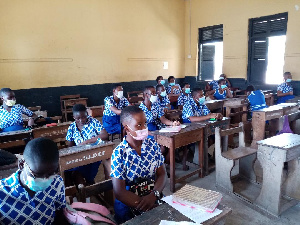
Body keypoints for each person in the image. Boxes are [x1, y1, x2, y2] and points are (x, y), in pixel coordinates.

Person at [110, 106, 167, 223]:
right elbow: (119, 192)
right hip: (129, 203)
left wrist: (154, 195)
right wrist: (146, 205)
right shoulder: (119, 153)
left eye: (145, 123)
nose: (144, 128)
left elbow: (162, 174)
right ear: (127, 128)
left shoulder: (152, 145)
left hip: (153, 194)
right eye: (139, 125)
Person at [0, 138, 67, 224]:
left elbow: (60, 215)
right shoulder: (2, 193)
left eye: (51, 174)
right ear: (21, 165)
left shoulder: (57, 183)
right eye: (37, 175)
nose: (45, 180)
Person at [66, 104, 110, 185]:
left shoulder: (93, 122)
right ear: (73, 117)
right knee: (69, 171)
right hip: (80, 156)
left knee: (81, 171)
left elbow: (105, 135)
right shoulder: (72, 127)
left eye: (83, 117)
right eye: (78, 118)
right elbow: (70, 146)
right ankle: (82, 188)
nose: (81, 120)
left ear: (87, 114)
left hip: (94, 154)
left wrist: (87, 141)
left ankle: (88, 184)